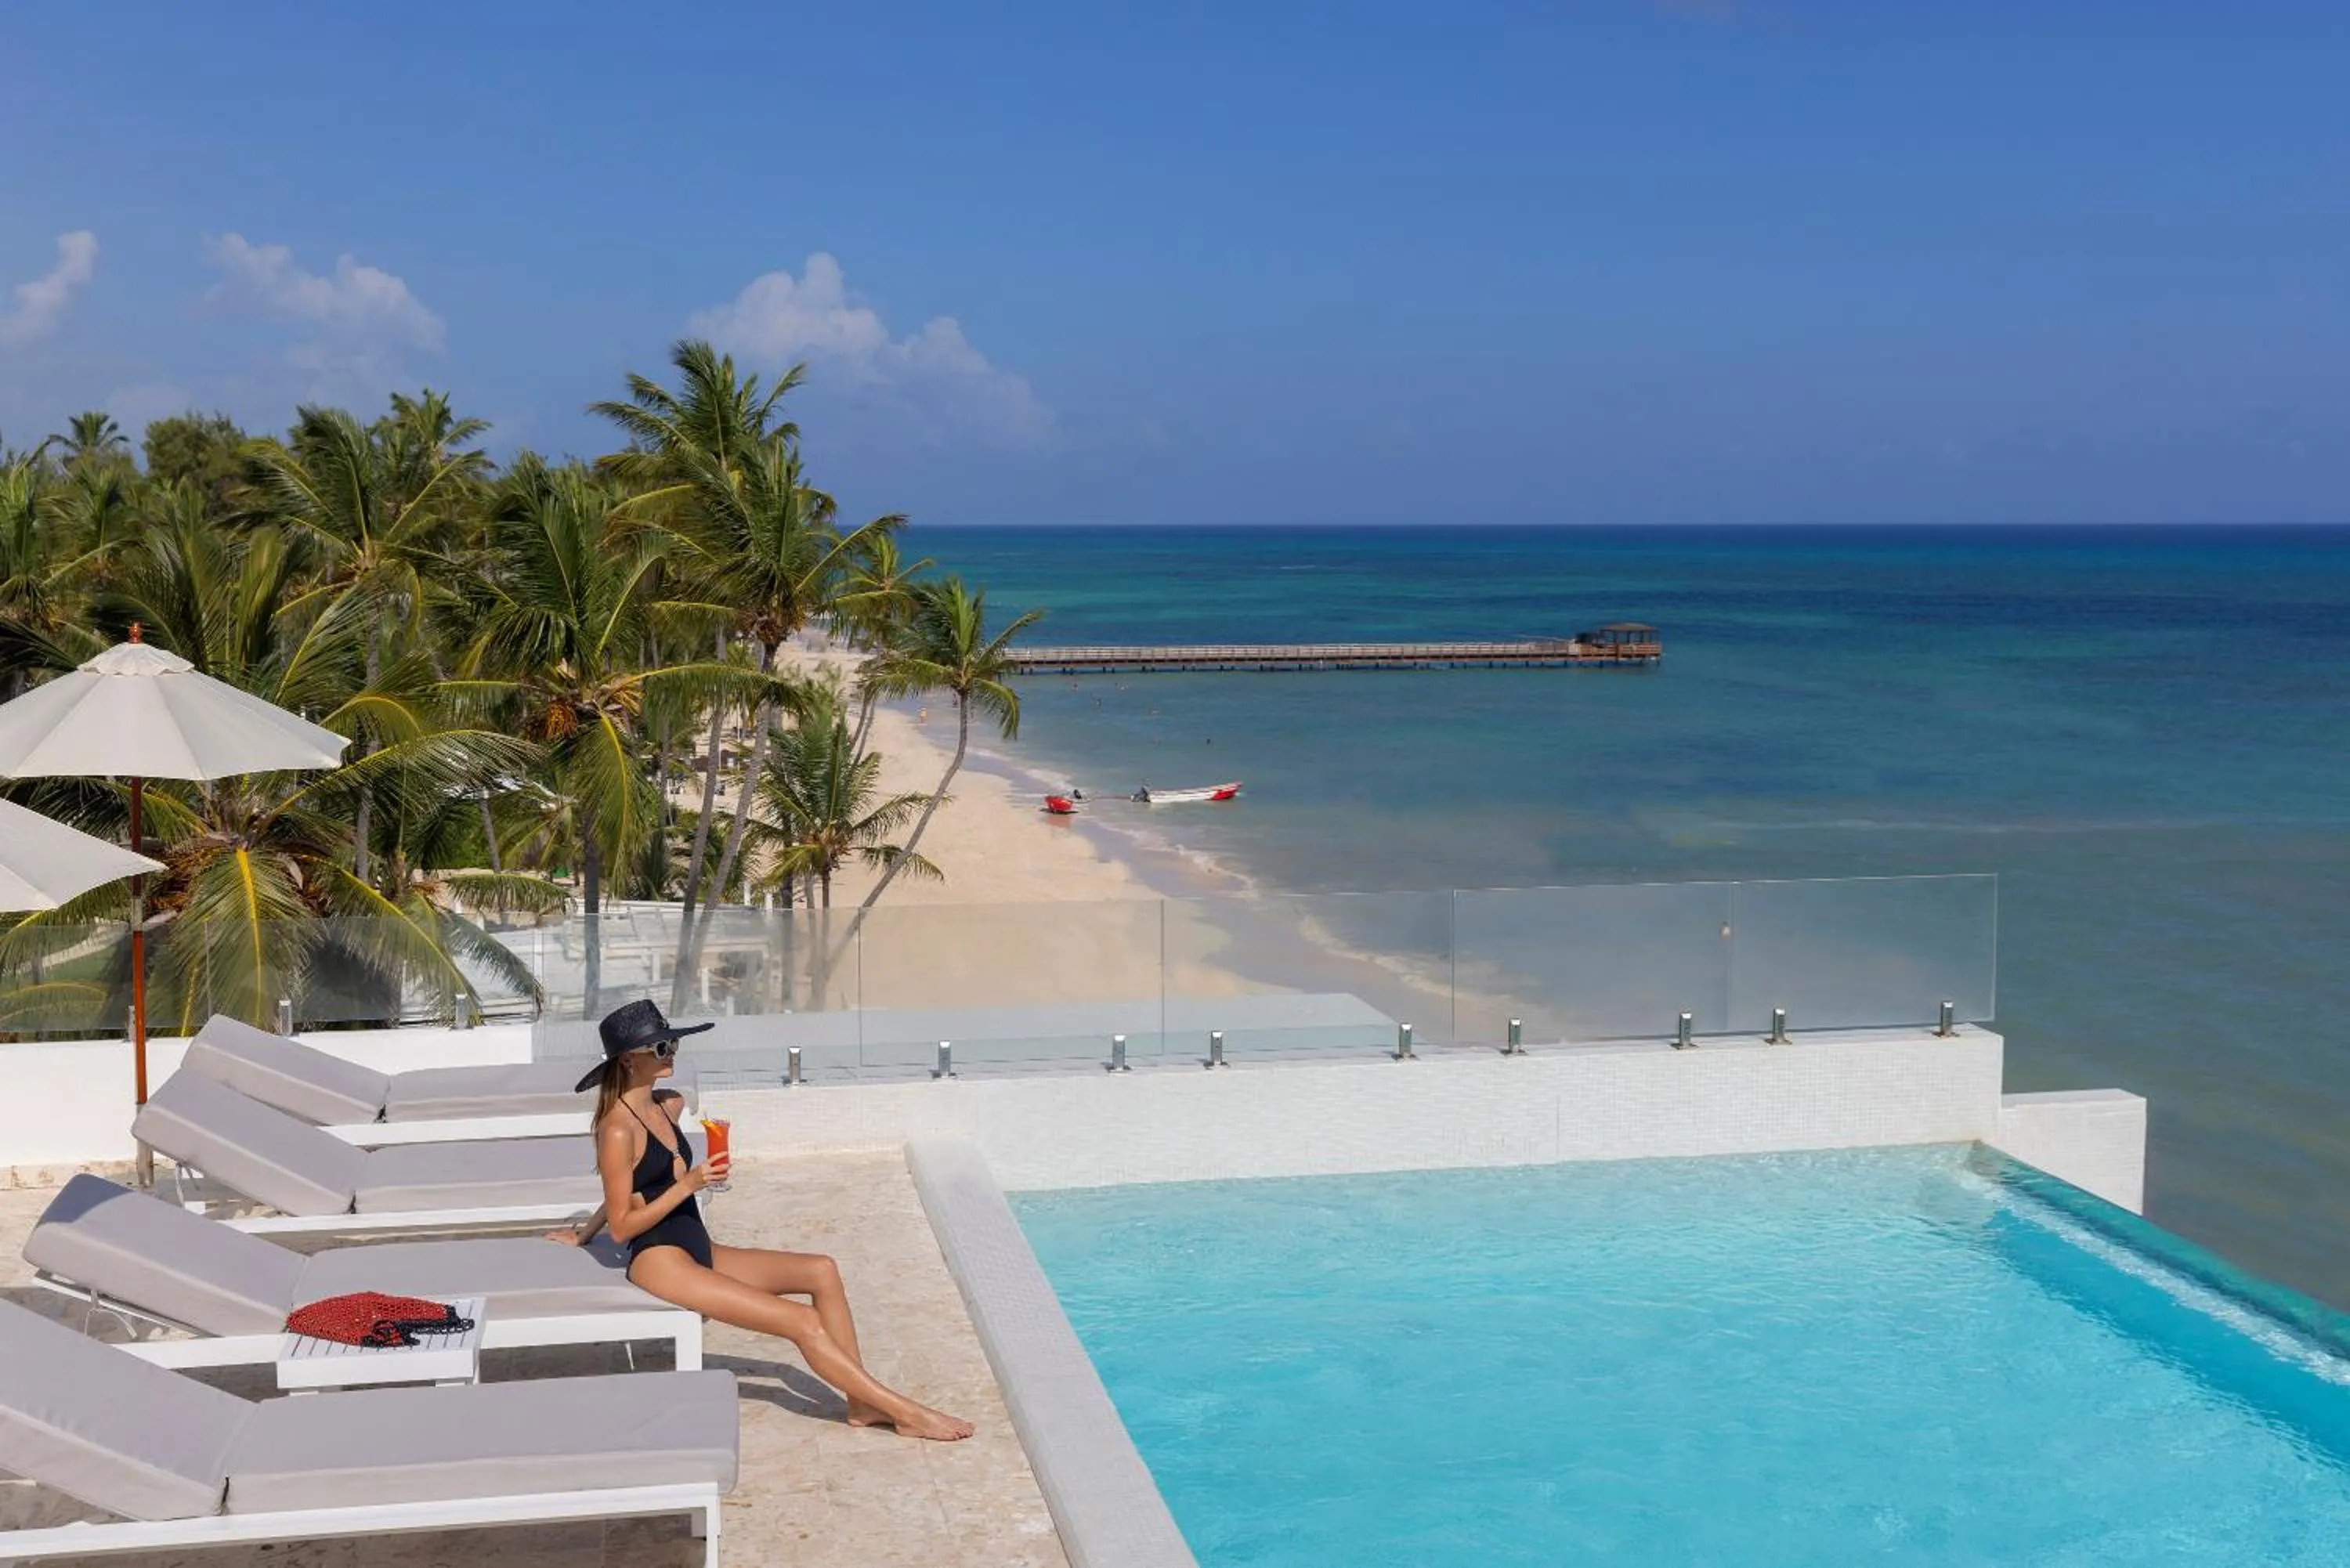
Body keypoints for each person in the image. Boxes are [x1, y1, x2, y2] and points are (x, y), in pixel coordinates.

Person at [550, 1000, 972, 1441]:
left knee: (822, 1270)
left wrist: (584, 1234)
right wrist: (688, 1184)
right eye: (660, 1047)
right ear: (628, 1060)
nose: (671, 1052)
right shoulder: (617, 1129)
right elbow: (623, 1226)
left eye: (672, 1043)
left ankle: (862, 1405)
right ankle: (906, 1413)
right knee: (801, 1321)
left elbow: (619, 1191)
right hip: (660, 1259)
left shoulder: (665, 1105)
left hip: (695, 1244)